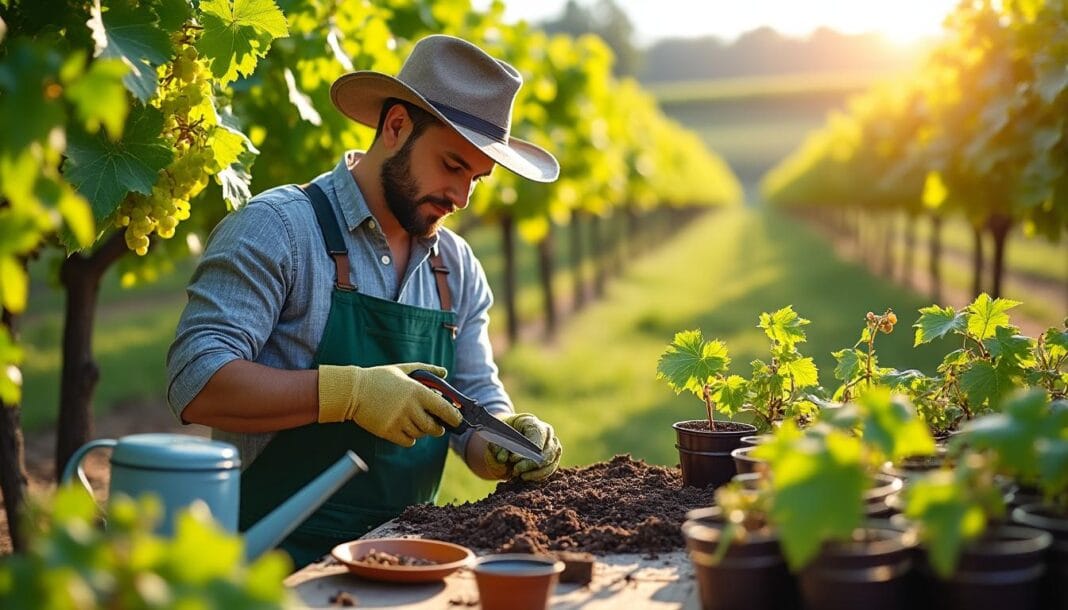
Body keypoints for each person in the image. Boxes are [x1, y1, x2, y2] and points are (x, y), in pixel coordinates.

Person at [166, 35, 564, 568]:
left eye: (476, 178)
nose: (462, 196)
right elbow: (194, 381)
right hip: (264, 568)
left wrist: (501, 441)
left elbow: (472, 404)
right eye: (451, 165)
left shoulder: (458, 267)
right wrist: (349, 393)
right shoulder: (278, 228)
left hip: (403, 566)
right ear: (396, 126)